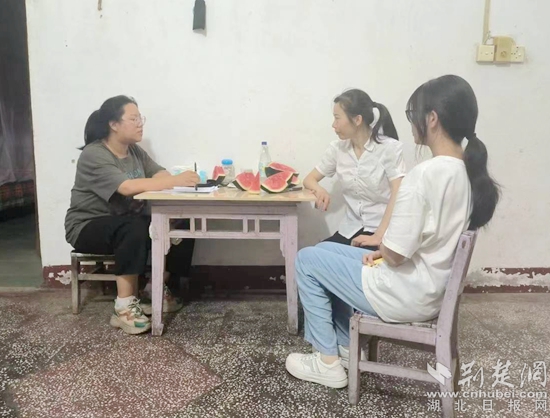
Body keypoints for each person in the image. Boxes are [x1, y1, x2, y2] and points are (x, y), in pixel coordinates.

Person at [285, 75, 500, 388]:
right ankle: (344, 347)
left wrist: (383, 252)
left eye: (413, 114)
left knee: (306, 260)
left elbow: (397, 254)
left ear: (432, 119)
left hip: (404, 293)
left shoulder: (425, 174)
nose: (411, 123)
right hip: (428, 286)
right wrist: (382, 253)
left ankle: (326, 362)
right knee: (326, 251)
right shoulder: (464, 171)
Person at [65, 95, 199, 335]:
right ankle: (124, 307)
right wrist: (175, 181)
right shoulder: (94, 154)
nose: (140, 124)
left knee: (182, 220)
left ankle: (153, 290)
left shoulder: (134, 151)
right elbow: (126, 187)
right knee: (133, 227)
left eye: (140, 118)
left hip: (126, 222)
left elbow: (159, 173)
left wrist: (172, 180)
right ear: (113, 124)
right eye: (133, 118)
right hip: (88, 225)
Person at [302, 89, 406, 250]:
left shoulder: (389, 149)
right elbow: (309, 179)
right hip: (350, 230)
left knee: (352, 261)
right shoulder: (337, 149)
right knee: (311, 254)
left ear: (357, 120)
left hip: (383, 233)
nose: (333, 125)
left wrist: (378, 236)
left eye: (337, 118)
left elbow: (398, 193)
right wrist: (319, 190)